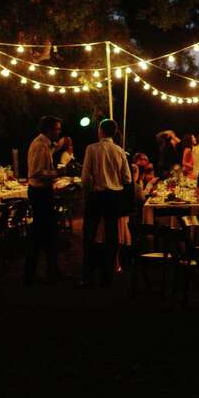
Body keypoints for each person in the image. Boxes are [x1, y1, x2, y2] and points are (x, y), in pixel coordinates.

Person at [80, 118, 131, 287]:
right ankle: (107, 275)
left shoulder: (91, 149)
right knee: (111, 236)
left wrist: (88, 191)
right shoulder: (120, 151)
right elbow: (127, 178)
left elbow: (85, 177)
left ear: (100, 131)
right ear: (114, 132)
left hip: (96, 195)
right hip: (114, 196)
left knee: (90, 234)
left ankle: (87, 275)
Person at [25, 115, 63, 284]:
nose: (59, 131)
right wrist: (58, 173)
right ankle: (35, 273)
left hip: (41, 192)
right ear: (49, 130)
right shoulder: (40, 146)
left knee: (46, 234)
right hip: (40, 193)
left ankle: (49, 270)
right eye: (57, 128)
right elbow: (37, 172)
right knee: (42, 233)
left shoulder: (45, 145)